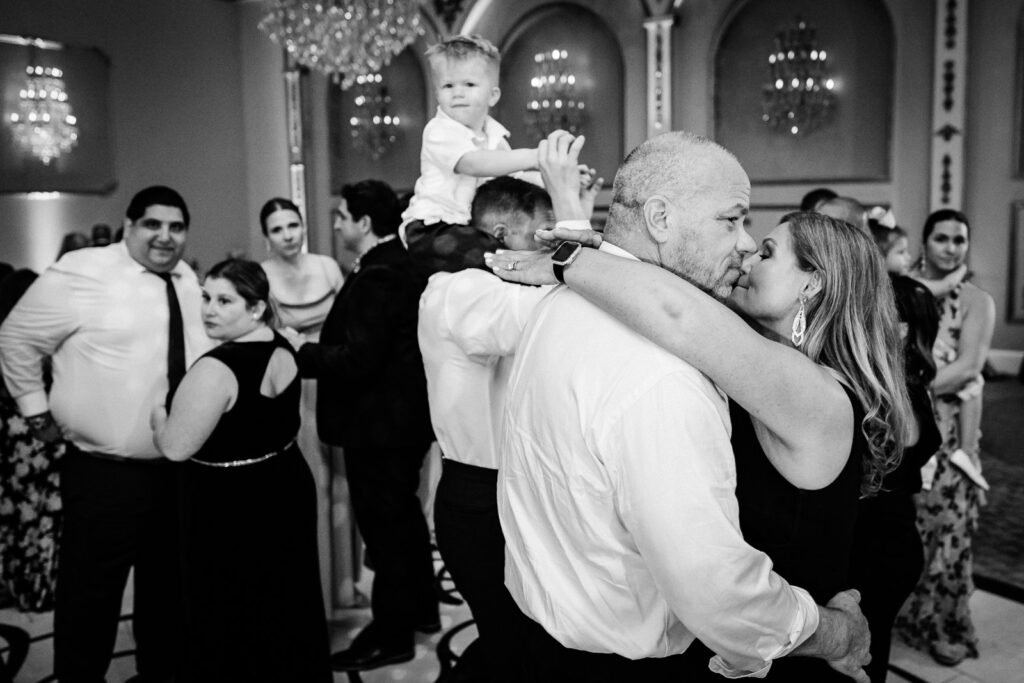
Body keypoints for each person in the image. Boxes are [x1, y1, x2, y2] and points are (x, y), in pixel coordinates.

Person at [485, 132, 891, 681]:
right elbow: (669, 310)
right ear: (660, 217)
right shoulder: (679, 369)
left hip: (784, 645)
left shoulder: (808, 391)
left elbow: (679, 312)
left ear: (814, 288)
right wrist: (575, 255)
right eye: (734, 221)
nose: (747, 246)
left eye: (766, 247)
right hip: (752, 636)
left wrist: (567, 264)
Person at [0, 186, 211, 682]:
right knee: (90, 597)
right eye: (153, 225)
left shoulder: (184, 278)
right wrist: (35, 413)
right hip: (103, 475)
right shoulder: (83, 271)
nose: (165, 237)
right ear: (128, 224)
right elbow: (16, 338)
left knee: (167, 595)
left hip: (176, 472)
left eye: (176, 227)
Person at [419, 173, 581, 681]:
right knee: (515, 646)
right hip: (482, 501)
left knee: (534, 642)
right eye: (547, 228)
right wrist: (579, 240)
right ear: (506, 233)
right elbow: (553, 315)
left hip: (517, 491)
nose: (553, 239)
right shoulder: (460, 290)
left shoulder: (492, 285)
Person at [151, 258, 331, 683]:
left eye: (224, 300)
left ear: (255, 308)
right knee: (285, 600)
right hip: (283, 484)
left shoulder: (216, 368)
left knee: (232, 608)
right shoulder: (284, 344)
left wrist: (159, 414)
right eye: (206, 298)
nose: (209, 310)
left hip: (230, 503)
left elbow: (176, 448)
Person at [285, 180, 437, 672]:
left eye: (341, 215)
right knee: (404, 523)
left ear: (363, 223)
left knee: (386, 533)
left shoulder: (380, 273)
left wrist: (297, 350)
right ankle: (421, 611)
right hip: (397, 423)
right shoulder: (392, 261)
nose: (335, 224)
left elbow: (359, 359)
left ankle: (391, 635)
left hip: (381, 428)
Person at [895, 209, 996, 666]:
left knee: (948, 528)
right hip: (900, 424)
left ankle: (941, 624)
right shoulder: (902, 288)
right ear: (925, 240)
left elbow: (969, 368)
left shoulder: (977, 300)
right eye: (942, 238)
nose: (952, 247)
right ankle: (901, 615)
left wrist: (904, 383)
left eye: (960, 240)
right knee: (906, 522)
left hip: (950, 432)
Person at [850, 274, 942, 682]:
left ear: (902, 328)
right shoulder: (912, 385)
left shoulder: (889, 394)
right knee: (871, 652)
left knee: (863, 659)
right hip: (892, 544)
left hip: (877, 552)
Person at [258, 197, 348, 610]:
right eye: (278, 229)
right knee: (312, 478)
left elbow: (348, 322)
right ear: (266, 236)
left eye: (293, 225)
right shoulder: (261, 276)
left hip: (335, 377)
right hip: (295, 386)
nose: (288, 235)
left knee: (346, 480)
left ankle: (345, 583)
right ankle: (318, 594)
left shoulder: (328, 266)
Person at [400, 34, 543, 276]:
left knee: (508, 248)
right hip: (431, 229)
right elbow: (473, 163)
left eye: (469, 84)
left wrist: (552, 174)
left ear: (493, 95)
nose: (458, 93)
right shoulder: (439, 130)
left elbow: (515, 180)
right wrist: (534, 156)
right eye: (448, 86)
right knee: (497, 255)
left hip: (465, 228)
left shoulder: (496, 138)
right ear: (438, 94)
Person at [0, 267, 65, 613]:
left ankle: (15, 583)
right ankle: (38, 588)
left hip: (13, 434)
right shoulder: (34, 336)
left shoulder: (8, 333)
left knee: (16, 513)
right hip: (38, 433)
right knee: (43, 514)